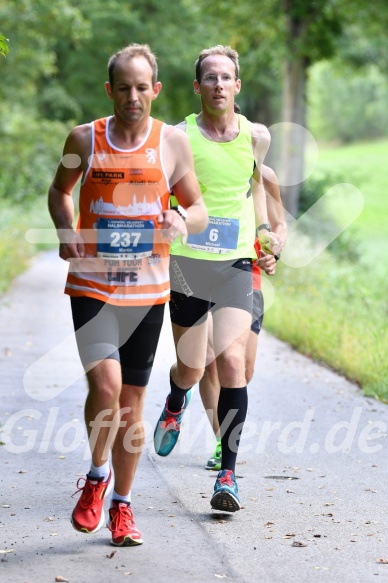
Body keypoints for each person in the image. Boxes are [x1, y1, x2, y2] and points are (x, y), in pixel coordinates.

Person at [48, 43, 207, 546]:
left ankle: (122, 505)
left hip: (147, 291)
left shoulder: (173, 143)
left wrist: (182, 218)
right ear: (110, 90)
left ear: (155, 91)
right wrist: (65, 227)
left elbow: (197, 208)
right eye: (124, 88)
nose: (133, 96)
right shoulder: (85, 139)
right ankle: (96, 479)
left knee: (133, 404)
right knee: (109, 389)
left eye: (142, 88)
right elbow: (60, 191)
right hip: (92, 285)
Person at [153, 45, 284, 513]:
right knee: (191, 367)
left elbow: (256, 187)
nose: (218, 85)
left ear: (237, 86)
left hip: (234, 264)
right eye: (209, 78)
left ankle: (227, 473)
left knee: (231, 363)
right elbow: (160, 191)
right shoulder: (178, 137)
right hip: (188, 264)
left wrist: (267, 233)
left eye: (226, 77)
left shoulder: (257, 136)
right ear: (197, 87)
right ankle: (176, 399)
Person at [202, 163, 287, 471]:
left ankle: (183, 390)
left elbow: (280, 225)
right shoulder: (200, 164)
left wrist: (274, 252)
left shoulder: (264, 176)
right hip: (200, 271)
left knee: (240, 368)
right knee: (210, 361)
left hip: (245, 276)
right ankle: (222, 444)